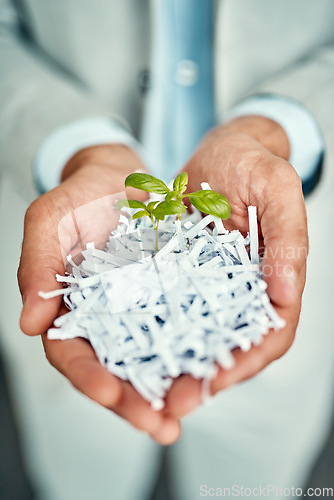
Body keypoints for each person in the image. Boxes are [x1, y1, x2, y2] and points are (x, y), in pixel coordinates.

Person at [0, 0, 333, 499]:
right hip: (58, 237)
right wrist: (77, 148)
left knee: (251, 485)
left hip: (289, 244)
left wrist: (275, 129)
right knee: (81, 478)